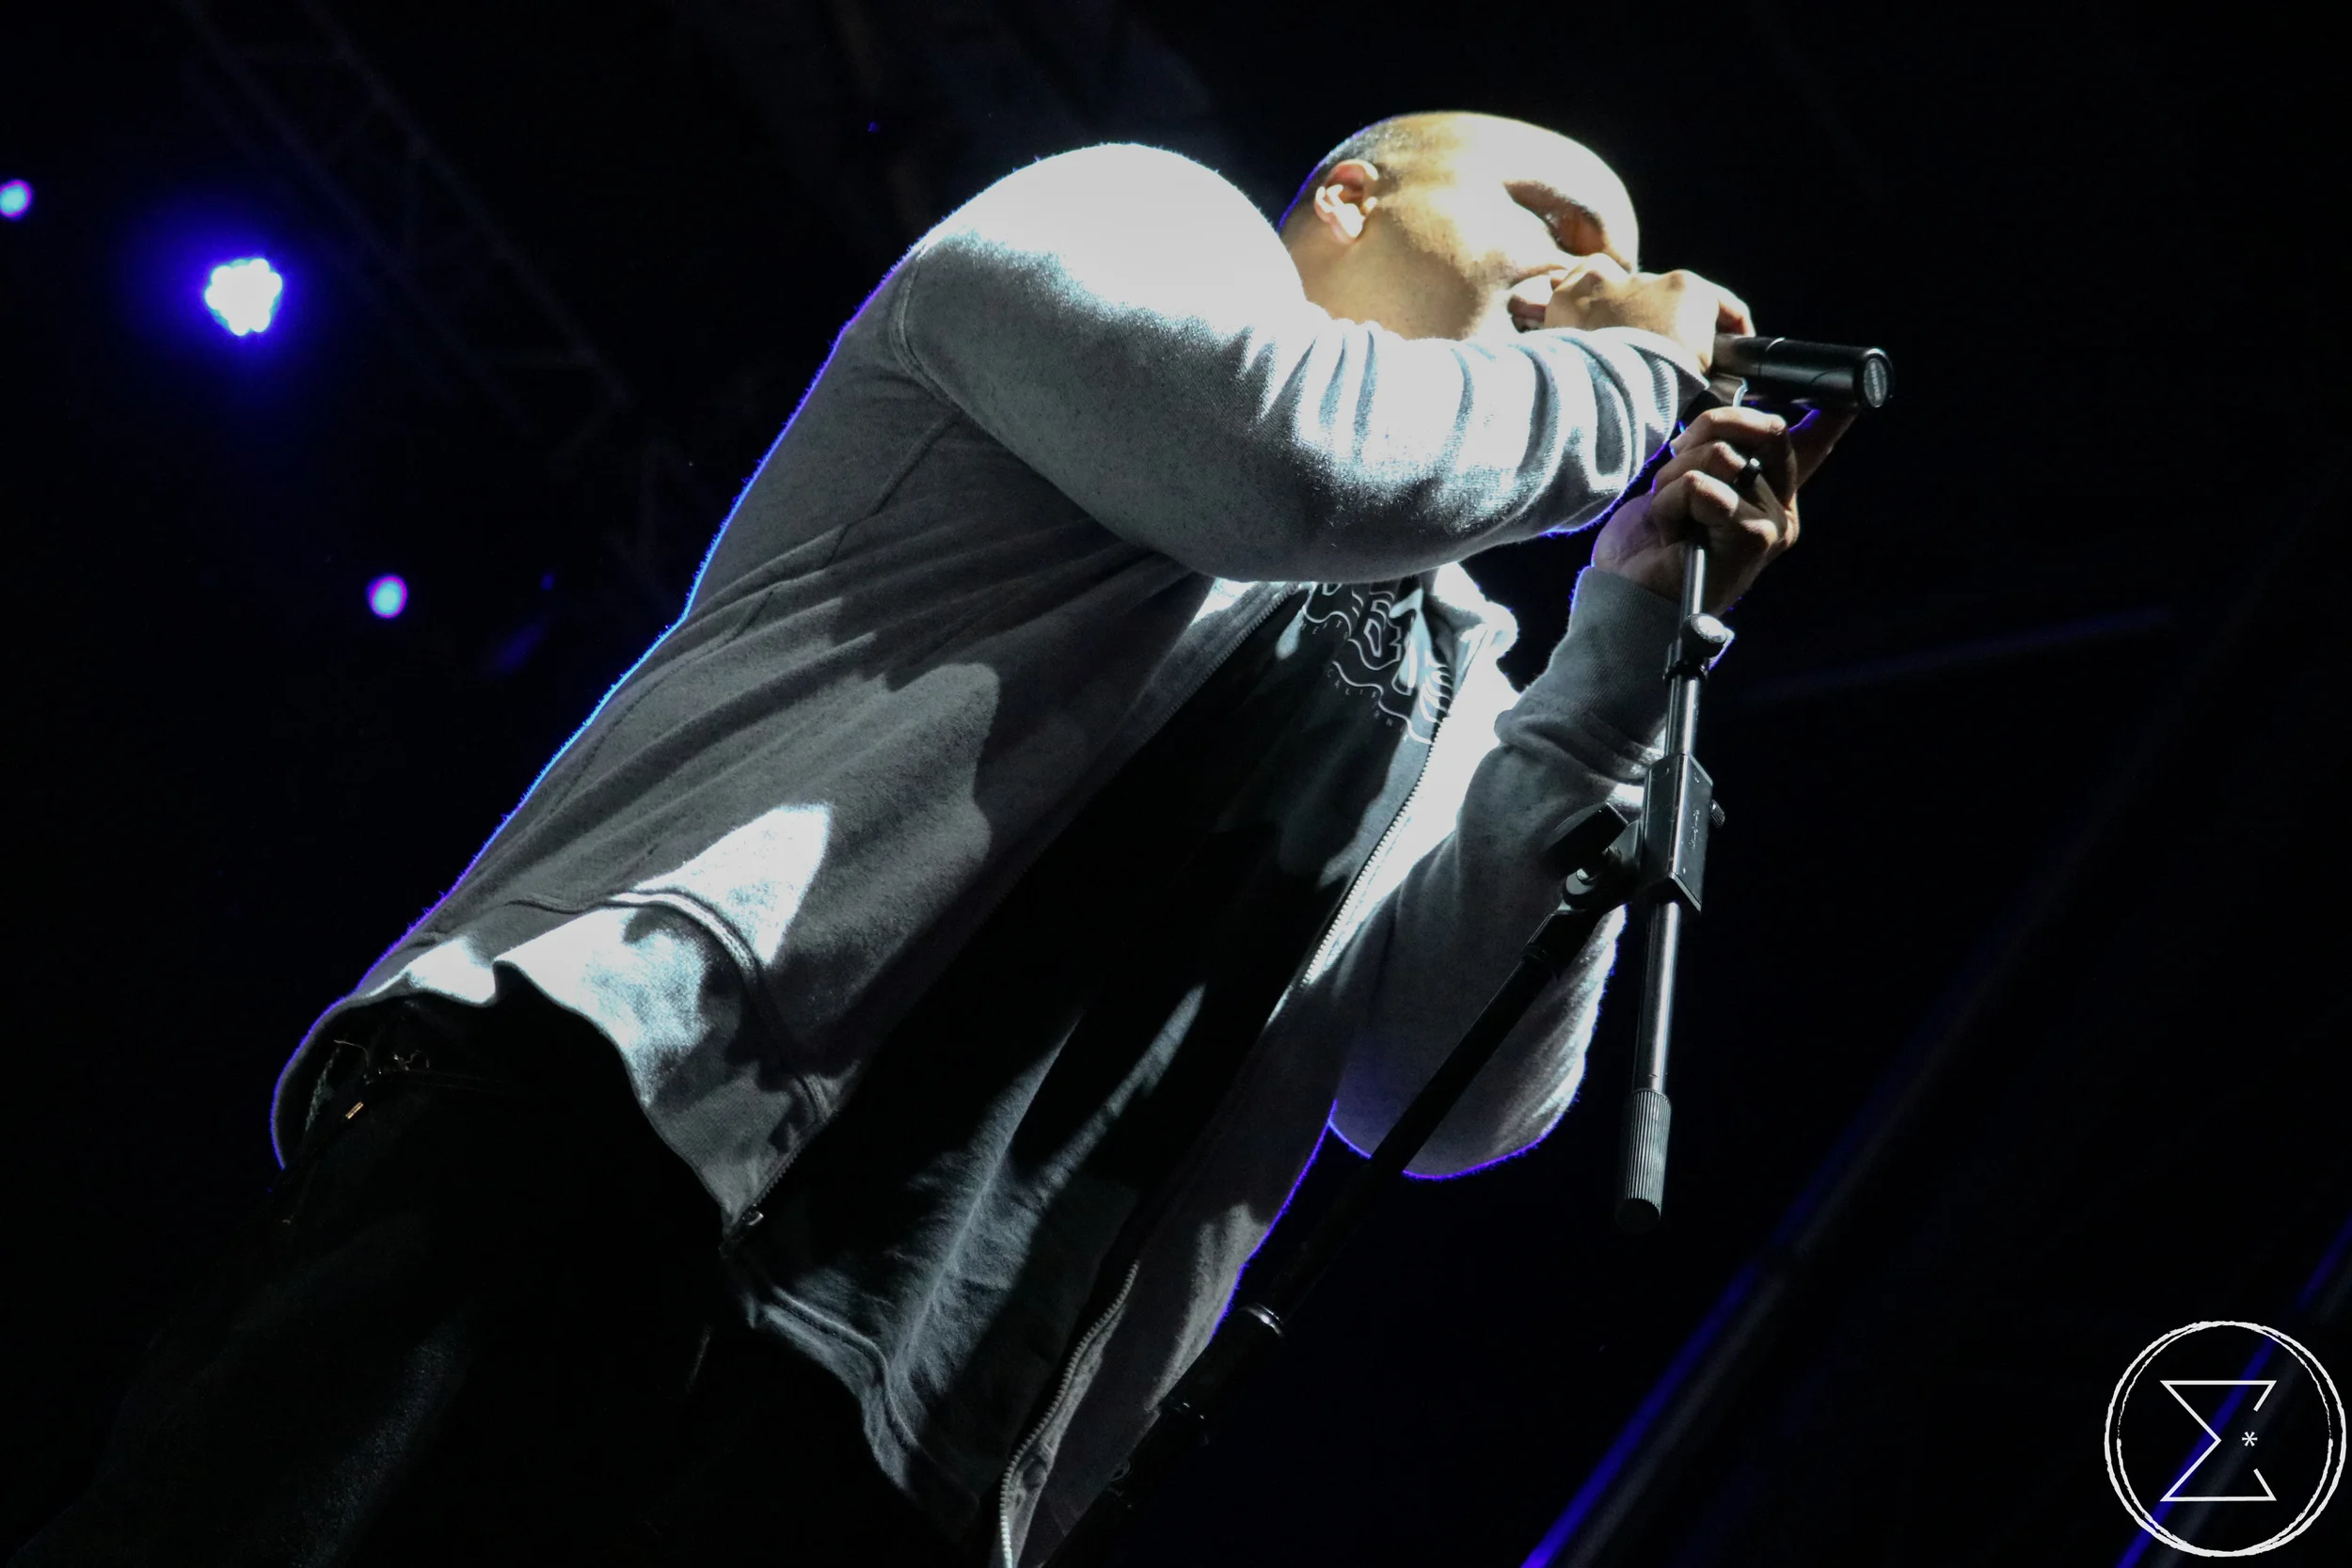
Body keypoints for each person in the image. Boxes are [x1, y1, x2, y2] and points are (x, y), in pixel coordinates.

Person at [18, 112, 1843, 1568]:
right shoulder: (1138, 226)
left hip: (922, 1425)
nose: (1595, 275)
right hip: (610, 1132)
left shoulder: (1464, 679)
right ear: (1348, 197)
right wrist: (1629, 373)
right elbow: (1289, 464)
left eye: (1616, 257)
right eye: (1549, 217)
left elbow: (1437, 1101)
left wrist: (1618, 656)